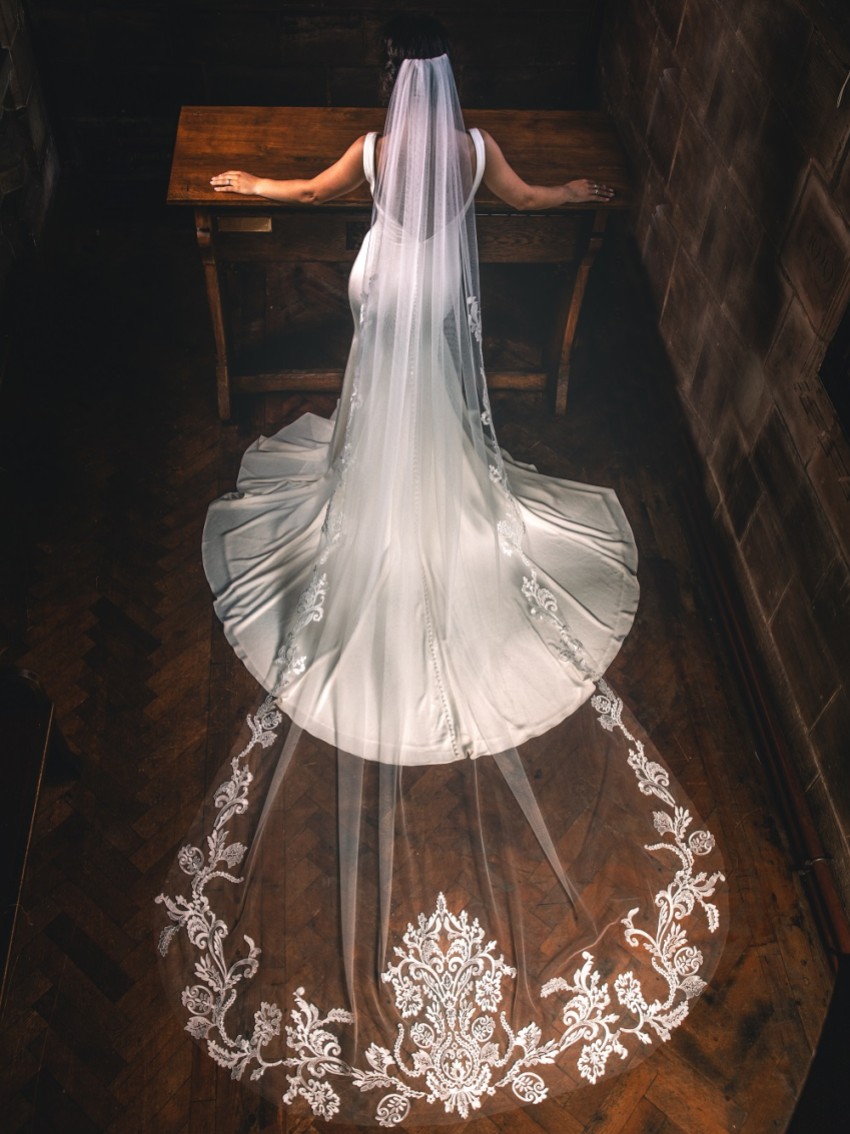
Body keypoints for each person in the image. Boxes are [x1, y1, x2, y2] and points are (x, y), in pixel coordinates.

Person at [157, 15, 726, 1126]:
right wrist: (577, 201)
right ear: (453, 91)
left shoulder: (374, 155)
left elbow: (311, 200)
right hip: (436, 317)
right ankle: (429, 510)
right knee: (440, 435)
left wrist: (245, 182)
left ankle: (378, 511)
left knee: (371, 429)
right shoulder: (473, 155)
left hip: (388, 304)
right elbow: (526, 204)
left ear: (392, 88)